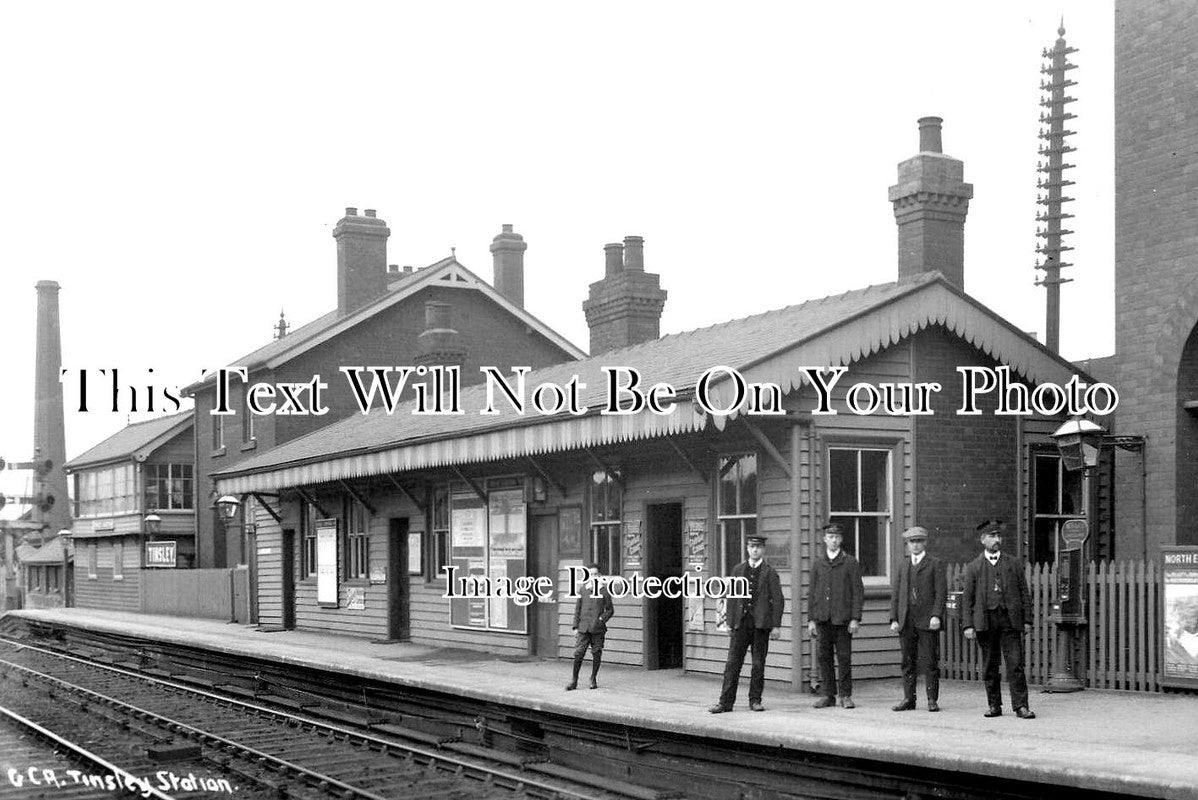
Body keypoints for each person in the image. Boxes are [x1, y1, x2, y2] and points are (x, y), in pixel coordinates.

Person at [961, 519, 1035, 719]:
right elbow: (967, 598)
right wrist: (968, 625)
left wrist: (1027, 620)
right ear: (983, 540)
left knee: (1015, 664)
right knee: (989, 665)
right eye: (992, 536)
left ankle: (1021, 706)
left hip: (1010, 620)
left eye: (998, 536)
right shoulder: (974, 567)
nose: (997, 540)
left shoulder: (1013, 563)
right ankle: (994, 705)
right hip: (986, 622)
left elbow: (1023, 593)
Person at [708, 533, 785, 713]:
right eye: (751, 547)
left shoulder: (770, 573)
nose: (755, 550)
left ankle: (755, 700)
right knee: (732, 664)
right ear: (747, 548)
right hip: (740, 625)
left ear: (763, 549)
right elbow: (732, 598)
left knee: (758, 664)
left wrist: (776, 625)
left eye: (758, 547)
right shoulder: (738, 570)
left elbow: (778, 600)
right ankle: (725, 702)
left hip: (761, 625)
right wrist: (728, 622)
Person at [889, 526, 946, 712]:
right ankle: (908, 698)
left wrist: (936, 615)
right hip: (906, 620)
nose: (915, 545)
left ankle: (931, 699)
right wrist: (894, 618)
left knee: (930, 661)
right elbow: (896, 594)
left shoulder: (934, 564)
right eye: (912, 542)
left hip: (927, 620)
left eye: (919, 541)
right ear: (907, 544)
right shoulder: (903, 565)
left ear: (925, 543)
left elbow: (940, 593)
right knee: (907, 661)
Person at [808, 522, 864, 709]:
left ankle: (845, 695)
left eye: (836, 537)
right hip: (823, 619)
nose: (833, 540)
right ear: (824, 539)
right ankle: (828, 695)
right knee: (824, 658)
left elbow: (857, 592)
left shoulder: (850, 562)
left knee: (844, 657)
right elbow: (813, 593)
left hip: (843, 620)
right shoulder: (818, 563)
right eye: (830, 537)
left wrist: (855, 618)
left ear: (841, 539)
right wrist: (811, 620)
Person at [566, 561, 614, 691]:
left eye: (595, 574)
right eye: (591, 574)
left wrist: (601, 619)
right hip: (583, 627)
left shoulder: (604, 591)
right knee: (578, 653)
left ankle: (593, 678)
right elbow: (578, 609)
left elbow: (610, 610)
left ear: (599, 575)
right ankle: (574, 680)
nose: (593, 577)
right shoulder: (583, 589)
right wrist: (575, 627)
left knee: (596, 652)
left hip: (597, 628)